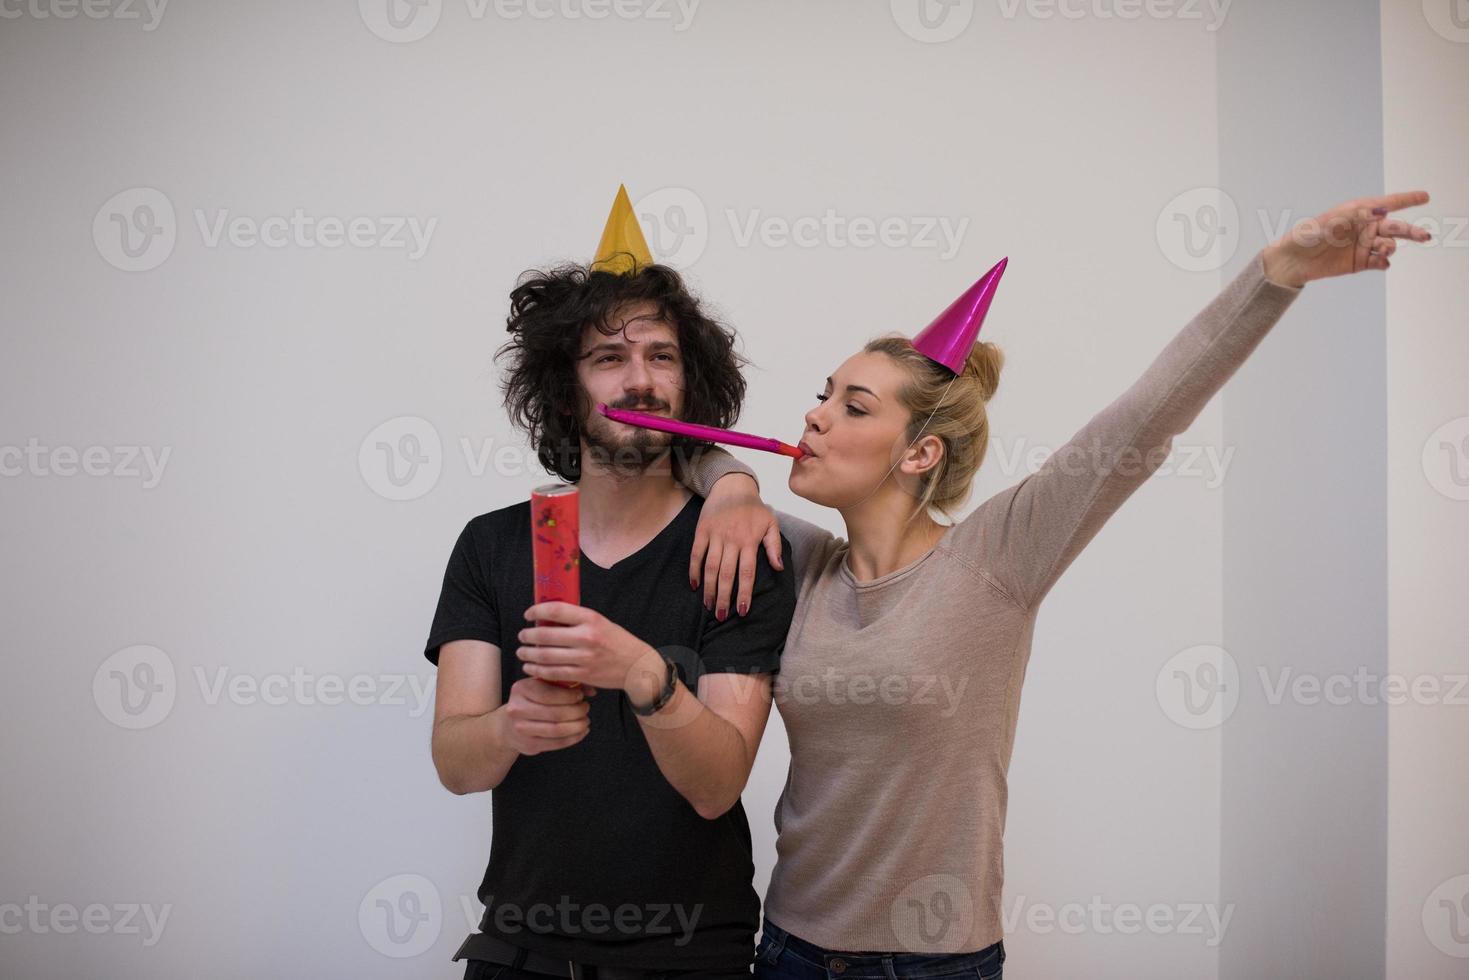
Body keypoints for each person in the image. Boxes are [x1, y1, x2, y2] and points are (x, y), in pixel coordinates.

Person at [674, 192, 1432, 979]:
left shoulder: (996, 558)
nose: (814, 415)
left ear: (919, 454)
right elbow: (677, 456)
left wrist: (1275, 273)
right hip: (788, 950)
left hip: (932, 964)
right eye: (823, 391)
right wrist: (733, 483)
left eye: (851, 405)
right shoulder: (795, 561)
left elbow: (1145, 419)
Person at [425, 186, 797, 979]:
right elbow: (456, 764)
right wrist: (507, 727)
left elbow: (717, 784)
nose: (639, 380)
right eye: (608, 358)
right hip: (518, 950)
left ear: (690, 388)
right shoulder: (491, 546)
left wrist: (641, 675)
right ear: (566, 392)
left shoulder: (738, 550)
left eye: (660, 356)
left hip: (692, 956)